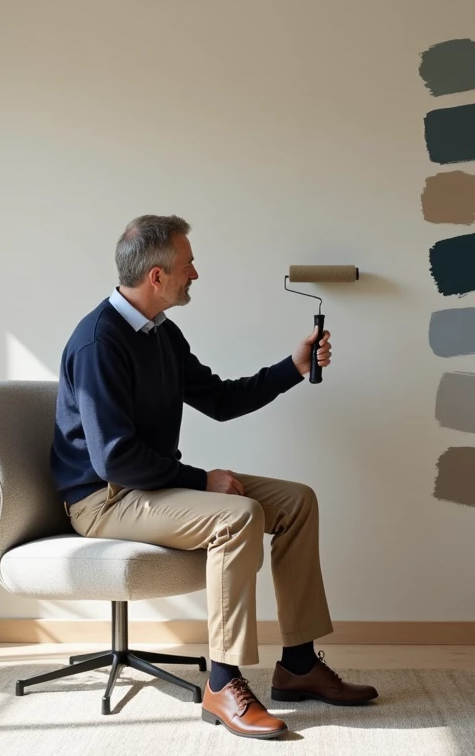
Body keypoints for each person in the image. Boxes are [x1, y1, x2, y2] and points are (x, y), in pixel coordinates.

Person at [51, 214, 377, 739]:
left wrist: (292, 367)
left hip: (149, 485)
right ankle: (222, 683)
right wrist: (202, 480)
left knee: (297, 501)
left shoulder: (161, 334)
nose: (195, 273)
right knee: (237, 516)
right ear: (157, 276)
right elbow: (113, 459)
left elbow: (221, 401)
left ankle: (297, 663)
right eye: (188, 264)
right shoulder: (99, 342)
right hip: (104, 498)